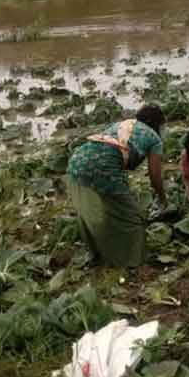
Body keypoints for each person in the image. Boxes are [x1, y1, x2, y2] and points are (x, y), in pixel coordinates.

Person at [67, 104, 167, 267]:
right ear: (155, 122)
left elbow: (115, 151)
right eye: (162, 124)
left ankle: (96, 254)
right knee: (133, 218)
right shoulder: (154, 138)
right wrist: (162, 199)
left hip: (77, 161)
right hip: (102, 167)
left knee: (91, 212)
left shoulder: (124, 124)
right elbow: (155, 176)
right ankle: (133, 262)